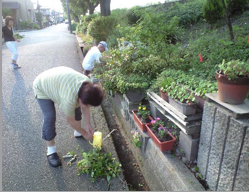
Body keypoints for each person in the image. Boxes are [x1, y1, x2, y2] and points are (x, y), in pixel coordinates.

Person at [33, 66, 104, 167]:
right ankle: (50, 150)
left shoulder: (88, 84)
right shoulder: (69, 99)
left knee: (78, 107)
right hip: (42, 86)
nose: (88, 107)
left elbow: (85, 107)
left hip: (58, 82)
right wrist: (84, 133)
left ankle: (77, 132)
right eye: (87, 104)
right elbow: (70, 121)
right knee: (50, 117)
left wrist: (88, 124)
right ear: (80, 98)